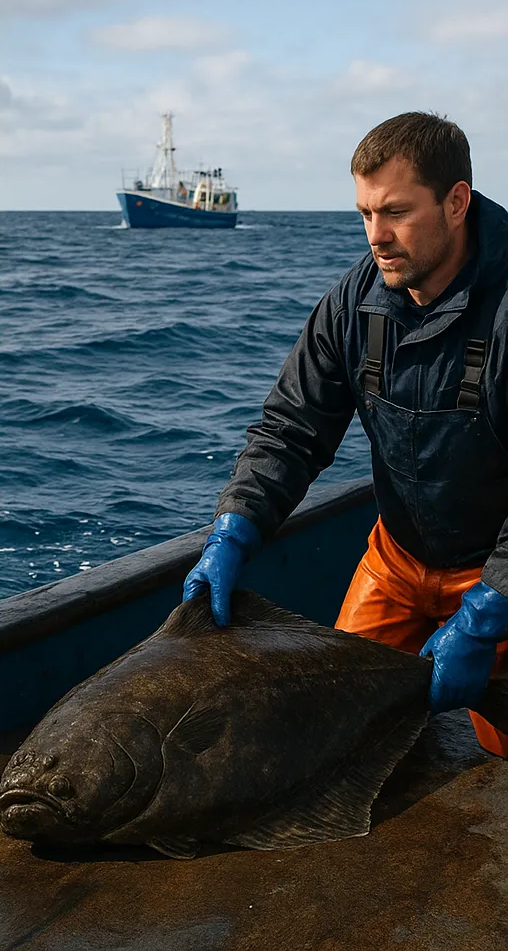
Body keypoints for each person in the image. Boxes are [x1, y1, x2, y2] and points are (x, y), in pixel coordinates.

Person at [183, 111, 508, 757]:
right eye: (363, 213)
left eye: (394, 212)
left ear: (456, 202)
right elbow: (291, 426)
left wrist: (487, 612)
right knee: (324, 732)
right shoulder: (354, 302)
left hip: (497, 573)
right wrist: (234, 526)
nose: (375, 236)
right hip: (397, 560)